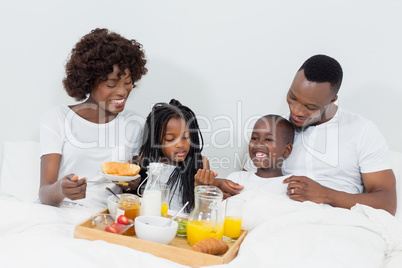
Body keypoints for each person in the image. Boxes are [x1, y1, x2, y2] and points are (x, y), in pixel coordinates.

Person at [245, 54, 397, 215]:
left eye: (310, 107)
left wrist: (326, 195)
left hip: (340, 223)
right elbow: (248, 182)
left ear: (332, 100)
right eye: (292, 97)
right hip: (281, 218)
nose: (295, 111)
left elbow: (387, 203)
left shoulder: (361, 131)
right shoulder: (274, 129)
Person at [39, 28, 148, 210]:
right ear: (89, 81)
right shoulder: (57, 118)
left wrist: (131, 184)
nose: (122, 91)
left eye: (127, 82)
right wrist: (62, 189)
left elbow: (132, 190)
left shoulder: (135, 124)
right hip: (61, 212)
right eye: (111, 84)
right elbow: (44, 194)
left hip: (108, 217)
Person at [136, 99, 219, 213]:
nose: (180, 145)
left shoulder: (200, 164)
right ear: (155, 141)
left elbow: (203, 212)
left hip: (182, 225)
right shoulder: (147, 160)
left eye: (186, 137)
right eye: (170, 139)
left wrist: (200, 187)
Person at [226, 114, 294, 195]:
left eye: (268, 139)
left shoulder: (291, 186)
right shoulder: (236, 179)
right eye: (255, 138)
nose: (258, 144)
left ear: (287, 150)